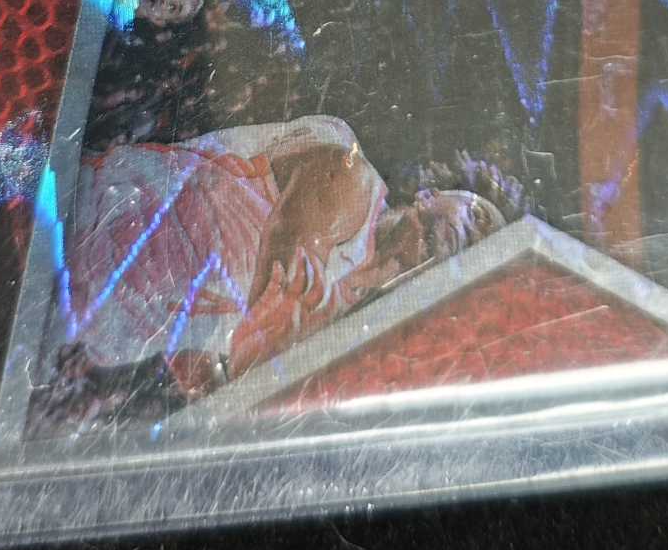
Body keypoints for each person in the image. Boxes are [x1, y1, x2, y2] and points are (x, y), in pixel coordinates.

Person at [63, 115, 504, 395]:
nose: (477, 237)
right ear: (430, 194)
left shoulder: (349, 306)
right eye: (480, 215)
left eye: (484, 249)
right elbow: (269, 303)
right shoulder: (353, 179)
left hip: (77, 324)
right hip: (70, 222)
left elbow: (210, 358)